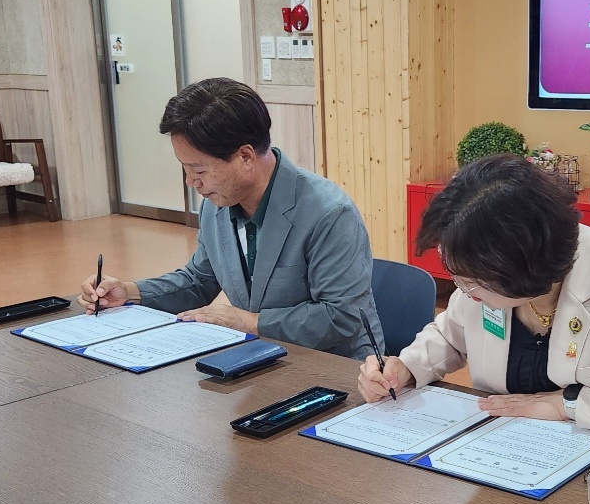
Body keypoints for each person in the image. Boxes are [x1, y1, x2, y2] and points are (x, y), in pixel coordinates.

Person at [357, 154, 590, 451]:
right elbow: (449, 337)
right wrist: (405, 368)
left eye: (471, 281)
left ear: (527, 269)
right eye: (455, 275)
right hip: (501, 453)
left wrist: (567, 405)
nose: (463, 290)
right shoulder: (480, 278)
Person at [81, 77, 383, 360]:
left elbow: (340, 317)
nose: (191, 182)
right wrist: (130, 292)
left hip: (336, 367)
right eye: (185, 169)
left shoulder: (328, 213)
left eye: (199, 170)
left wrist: (250, 322)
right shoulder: (217, 205)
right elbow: (199, 280)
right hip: (263, 357)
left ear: (245, 157)